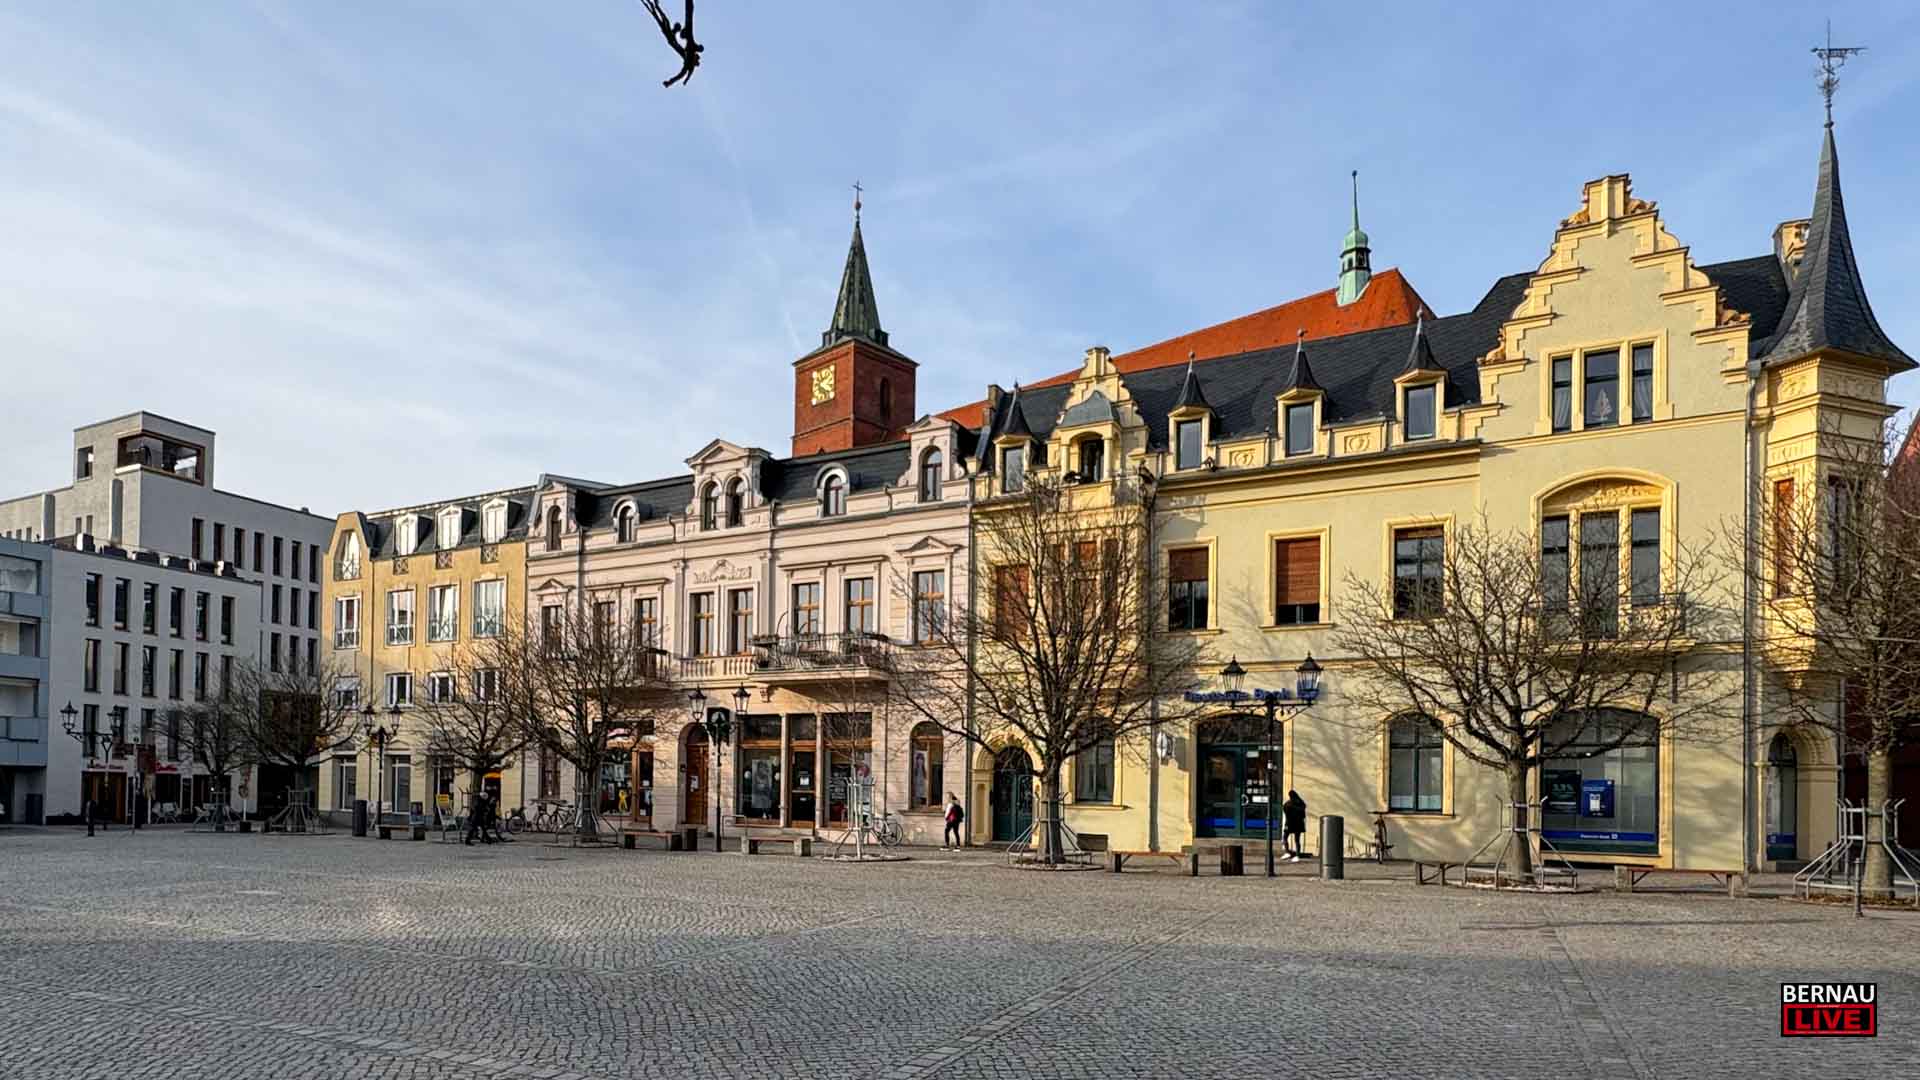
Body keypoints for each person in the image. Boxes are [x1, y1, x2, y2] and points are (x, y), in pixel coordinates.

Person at [1282, 790, 1307, 861]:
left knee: (1285, 837)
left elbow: (1286, 813)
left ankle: (1287, 852)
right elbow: (1303, 816)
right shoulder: (1301, 803)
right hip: (1298, 824)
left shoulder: (1288, 804)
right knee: (1297, 840)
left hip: (1290, 823)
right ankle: (1297, 855)